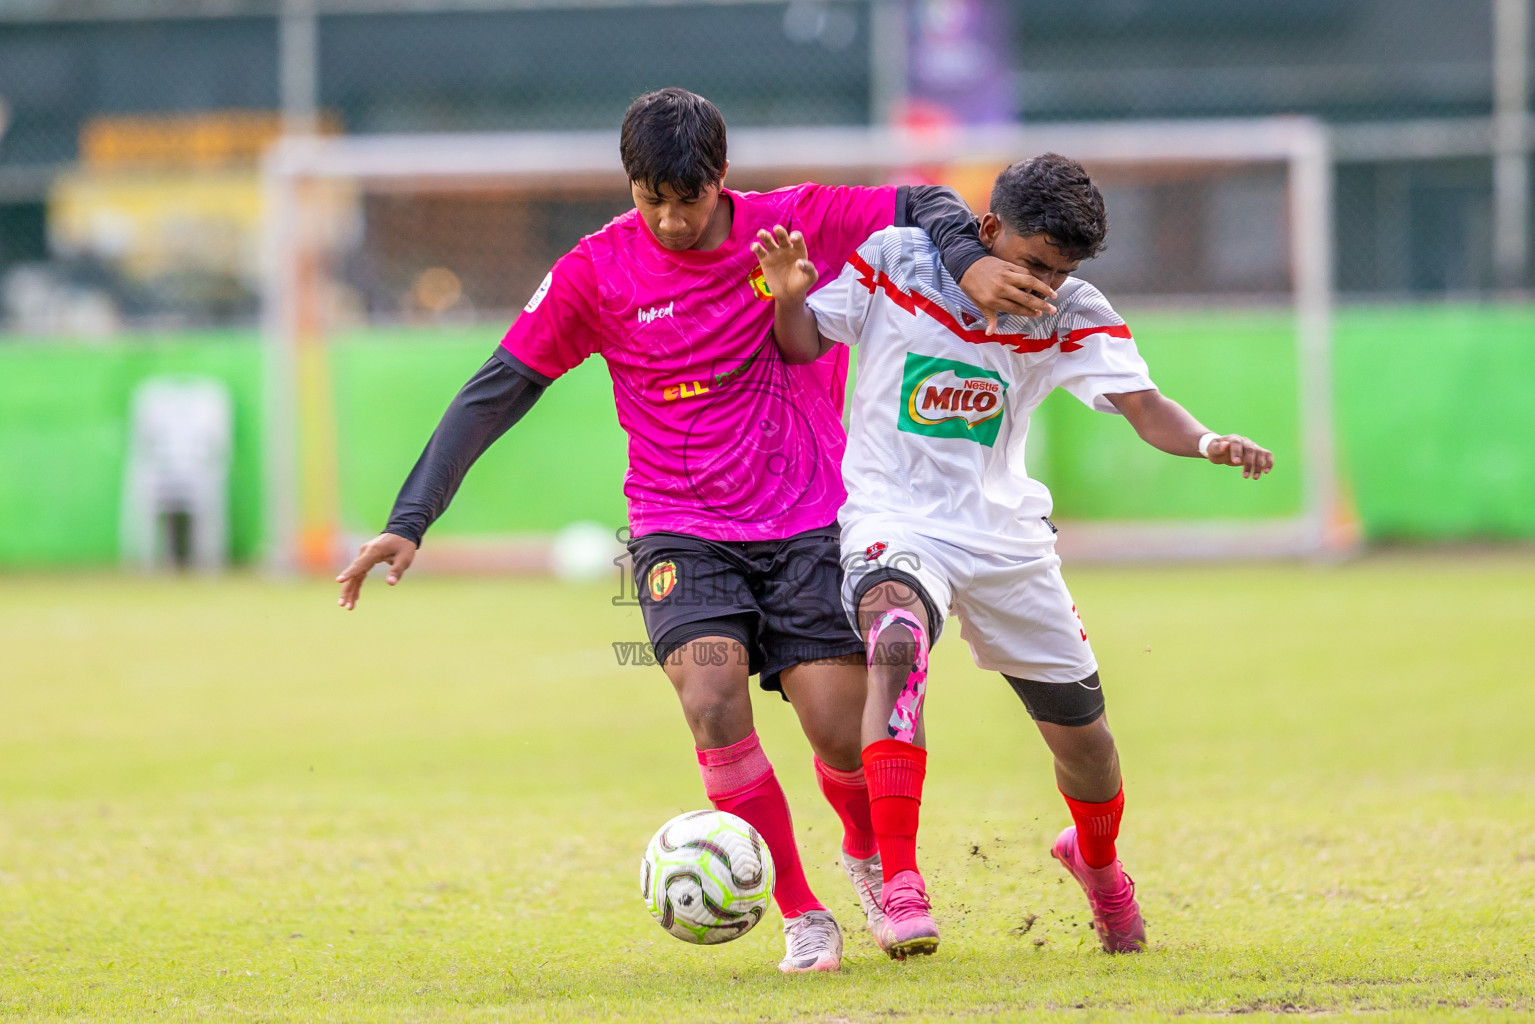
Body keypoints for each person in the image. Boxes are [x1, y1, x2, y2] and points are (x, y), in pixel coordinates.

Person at [333, 88, 1060, 973]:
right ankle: (801, 912)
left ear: (722, 179)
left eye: (690, 199)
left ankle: (867, 861)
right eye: (651, 200)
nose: (672, 221)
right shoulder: (595, 272)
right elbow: (500, 385)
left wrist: (964, 259)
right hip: (682, 531)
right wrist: (411, 519)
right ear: (630, 186)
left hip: (810, 524)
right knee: (709, 699)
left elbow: (924, 202)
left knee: (840, 734)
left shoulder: (794, 223)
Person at [750, 152, 1274, 959]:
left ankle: (1097, 867)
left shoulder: (1070, 310)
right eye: (1032, 264)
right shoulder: (896, 263)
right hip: (895, 519)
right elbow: (797, 345)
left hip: (1006, 542)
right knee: (895, 641)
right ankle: (899, 883)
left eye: (1058, 273)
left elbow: (1143, 406)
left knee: (1087, 748)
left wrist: (1206, 442)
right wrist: (788, 296)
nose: (1043, 286)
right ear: (986, 230)